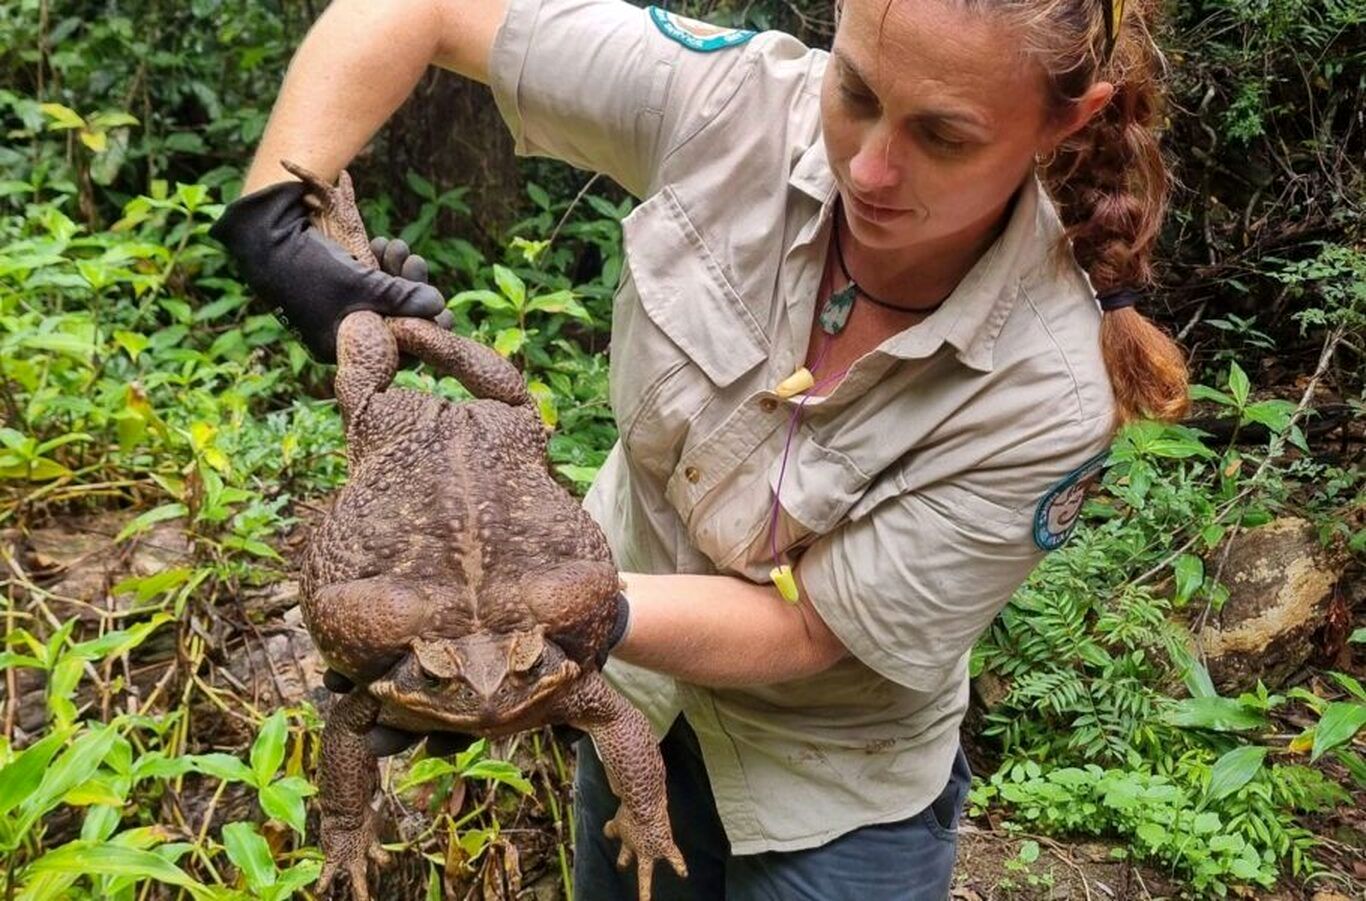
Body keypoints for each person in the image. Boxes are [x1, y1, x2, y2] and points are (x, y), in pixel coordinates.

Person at [210, 0, 1190, 896]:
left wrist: (536, 615)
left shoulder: (1048, 387)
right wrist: (274, 223)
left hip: (828, 788)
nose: (869, 166)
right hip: (627, 699)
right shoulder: (735, 105)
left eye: (942, 134)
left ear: (1065, 120)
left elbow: (812, 631)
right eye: (852, 92)